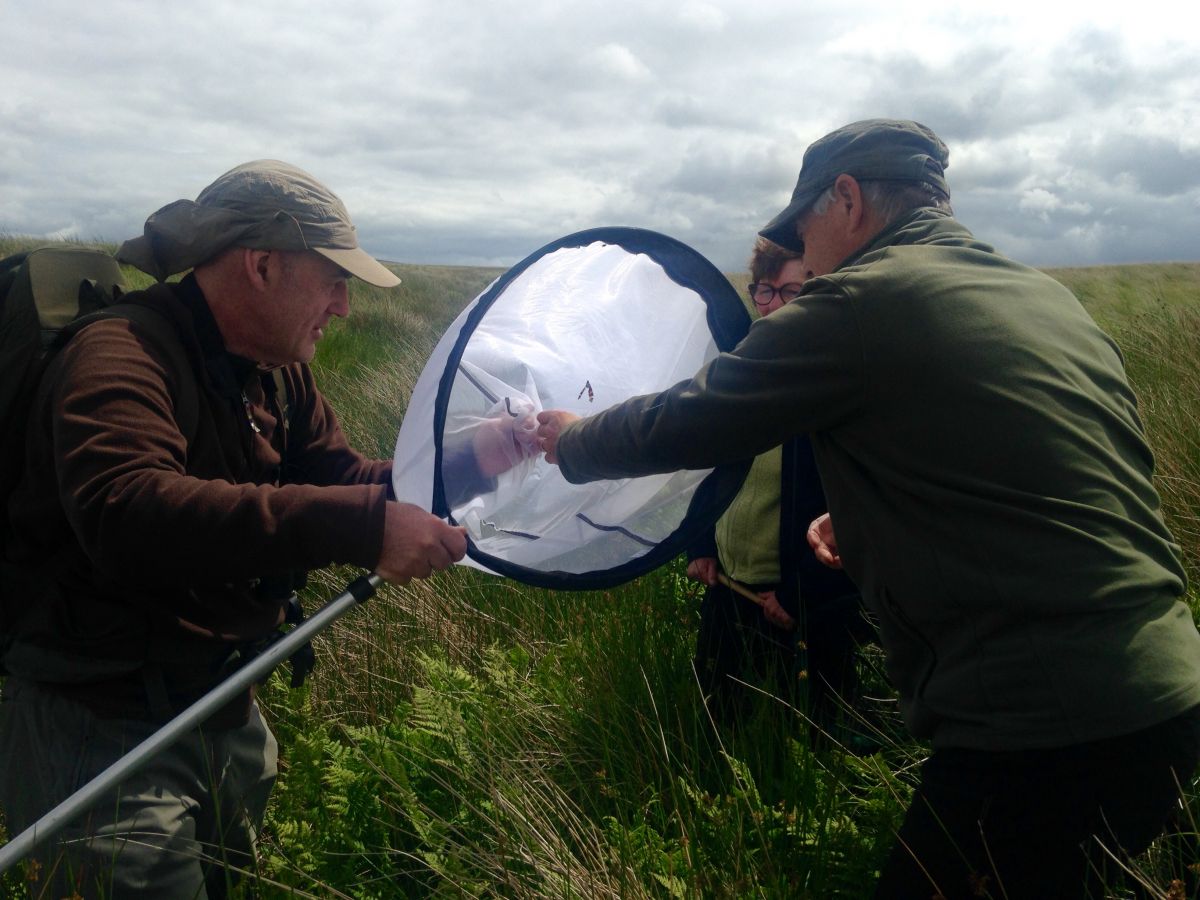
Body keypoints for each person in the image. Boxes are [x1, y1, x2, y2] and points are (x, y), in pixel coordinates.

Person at [536, 119, 1200, 898]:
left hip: (1042, 719)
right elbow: (1042, 480)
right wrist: (873, 522)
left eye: (801, 231)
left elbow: (694, 417)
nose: (803, 256)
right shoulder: (1043, 297)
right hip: (1163, 691)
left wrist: (575, 439)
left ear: (845, 198)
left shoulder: (860, 300)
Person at [0, 160, 471, 899]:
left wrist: (473, 462)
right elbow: (127, 511)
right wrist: (362, 528)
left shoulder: (277, 371)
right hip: (102, 726)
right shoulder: (119, 355)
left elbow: (342, 478)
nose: (344, 306)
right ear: (261, 265)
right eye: (333, 280)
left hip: (223, 706)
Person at [688, 238, 870, 738]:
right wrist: (702, 543)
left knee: (808, 740)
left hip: (797, 609)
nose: (772, 304)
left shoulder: (837, 385)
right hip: (728, 591)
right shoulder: (740, 373)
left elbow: (859, 510)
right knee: (716, 726)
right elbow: (712, 466)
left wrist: (799, 592)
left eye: (791, 289)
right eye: (764, 290)